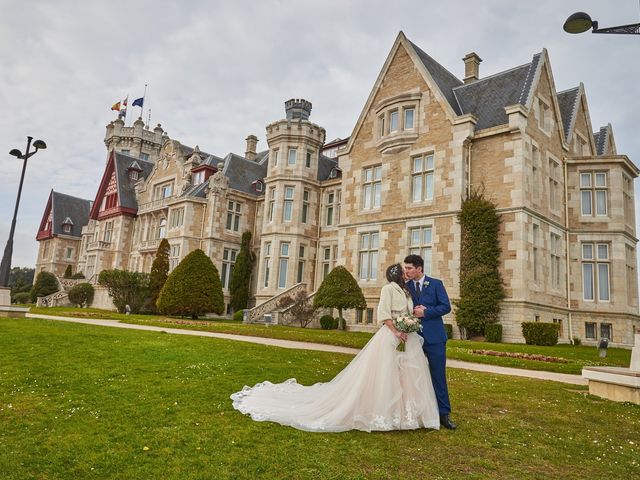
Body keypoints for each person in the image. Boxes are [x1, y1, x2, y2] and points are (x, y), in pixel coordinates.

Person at [230, 263, 440, 432]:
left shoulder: (406, 291)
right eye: (403, 272)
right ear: (396, 275)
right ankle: (384, 411)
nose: (406, 274)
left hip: (408, 338)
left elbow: (408, 311)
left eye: (408, 271)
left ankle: (407, 414)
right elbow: (384, 314)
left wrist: (411, 323)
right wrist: (396, 331)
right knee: (385, 375)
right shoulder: (388, 289)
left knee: (407, 376)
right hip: (391, 336)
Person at [403, 254, 457, 430]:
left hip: (434, 338)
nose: (407, 271)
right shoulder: (404, 287)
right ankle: (416, 412)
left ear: (419, 268)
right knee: (413, 376)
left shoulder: (436, 284)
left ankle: (443, 414)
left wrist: (427, 312)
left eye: (410, 268)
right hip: (413, 338)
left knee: (438, 375)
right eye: (406, 268)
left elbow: (445, 307)